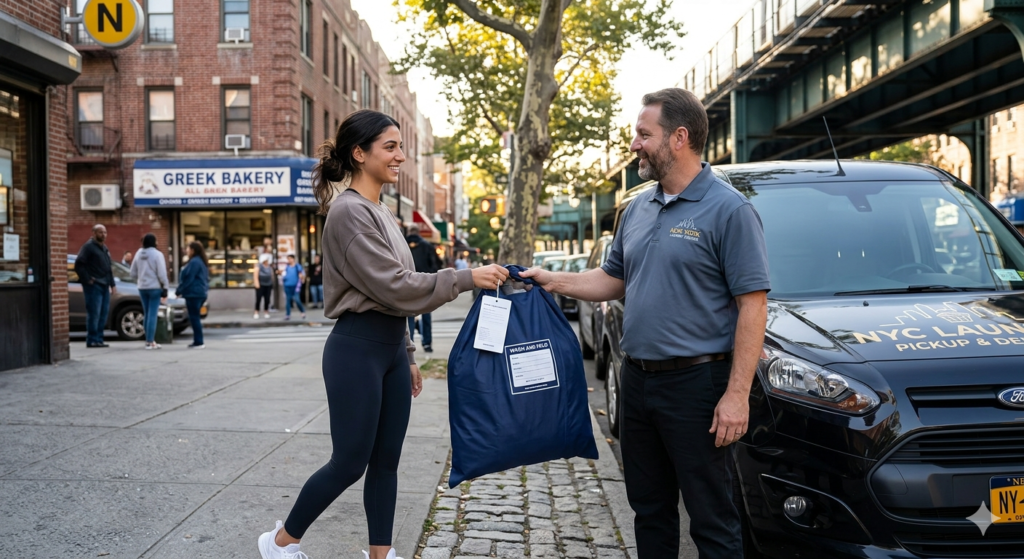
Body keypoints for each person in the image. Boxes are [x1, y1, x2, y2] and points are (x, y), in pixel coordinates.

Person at [521, 88, 770, 559]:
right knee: (649, 511)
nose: (634, 144)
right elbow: (612, 279)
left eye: (643, 134)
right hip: (636, 383)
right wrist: (551, 280)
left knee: (711, 518)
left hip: (697, 385)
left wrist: (737, 396)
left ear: (679, 137)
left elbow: (753, 307)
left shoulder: (730, 210)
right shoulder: (637, 208)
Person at [256, 109, 509, 559]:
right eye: (389, 147)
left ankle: (381, 555)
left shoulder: (381, 211)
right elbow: (394, 285)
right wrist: (467, 277)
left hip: (389, 348)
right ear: (360, 153)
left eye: (400, 146)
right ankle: (280, 543)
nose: (400, 156)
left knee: (386, 462)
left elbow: (394, 293)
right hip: (356, 349)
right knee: (350, 462)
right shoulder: (348, 213)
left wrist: (407, 352)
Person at [75, 224, 116, 348]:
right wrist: (88, 279)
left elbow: (108, 268)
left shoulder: (104, 248)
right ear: (93, 233)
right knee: (94, 313)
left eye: (105, 232)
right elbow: (79, 264)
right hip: (94, 286)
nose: (103, 235)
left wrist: (112, 284)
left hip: (105, 285)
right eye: (100, 232)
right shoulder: (88, 247)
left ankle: (99, 339)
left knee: (103, 313)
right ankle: (92, 340)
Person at [405, 225, 443, 352]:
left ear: (409, 232)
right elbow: (436, 265)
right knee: (426, 313)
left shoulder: (402, 244)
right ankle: (427, 343)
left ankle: (409, 344)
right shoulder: (427, 246)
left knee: (408, 314)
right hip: (425, 284)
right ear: (419, 232)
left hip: (406, 284)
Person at [129, 233, 170, 349]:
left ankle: (148, 341)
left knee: (146, 314)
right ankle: (150, 341)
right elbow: (162, 274)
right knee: (152, 314)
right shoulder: (157, 254)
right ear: (154, 242)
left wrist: (142, 275)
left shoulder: (138, 253)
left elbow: (132, 273)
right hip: (154, 288)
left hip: (142, 287)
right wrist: (165, 287)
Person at [176, 241, 209, 349]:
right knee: (195, 317)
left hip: (194, 293)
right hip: (199, 292)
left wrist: (179, 290)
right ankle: (198, 340)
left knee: (194, 317)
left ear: (193, 250)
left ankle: (199, 341)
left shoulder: (194, 262)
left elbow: (189, 278)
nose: (186, 250)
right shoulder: (200, 261)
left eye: (188, 248)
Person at [282, 254, 306, 320]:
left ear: (293, 259)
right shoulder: (286, 267)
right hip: (287, 285)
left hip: (295, 286)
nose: (289, 260)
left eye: (290, 259)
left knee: (297, 300)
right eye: (288, 259)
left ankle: (302, 311)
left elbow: (301, 274)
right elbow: (283, 274)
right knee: (288, 301)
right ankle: (287, 314)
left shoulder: (297, 266)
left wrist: (302, 278)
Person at [254, 254, 274, 319]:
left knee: (267, 299)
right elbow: (255, 276)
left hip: (268, 285)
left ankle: (266, 312)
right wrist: (257, 284)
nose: (267, 261)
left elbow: (271, 275)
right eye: (266, 260)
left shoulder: (269, 267)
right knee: (258, 299)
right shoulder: (258, 266)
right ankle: (256, 312)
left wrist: (271, 283)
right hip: (260, 285)